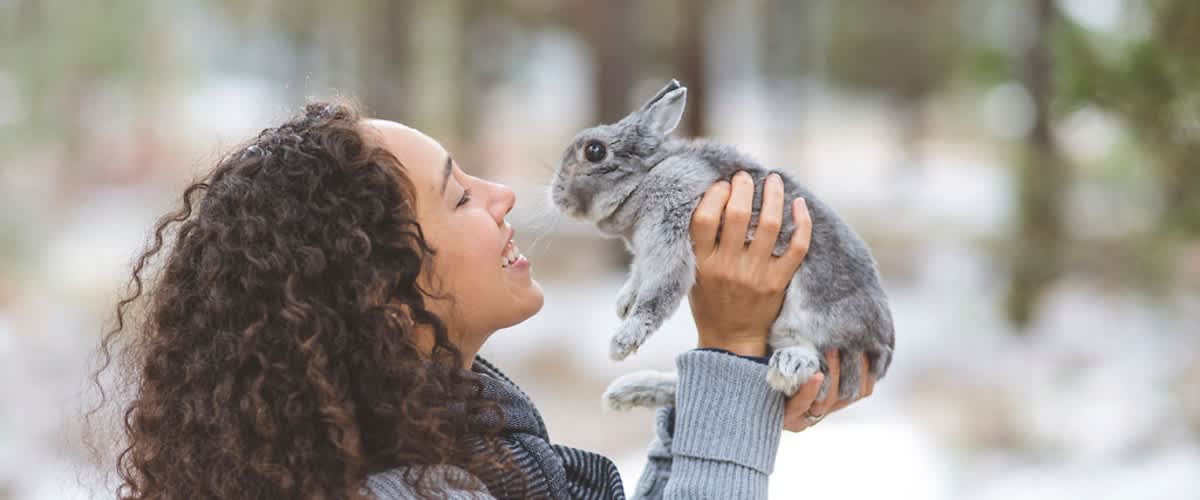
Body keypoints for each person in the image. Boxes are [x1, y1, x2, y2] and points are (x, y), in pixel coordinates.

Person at [96, 101, 875, 499]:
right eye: (459, 196)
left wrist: (731, 387)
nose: (503, 196)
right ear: (383, 293)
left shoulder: (454, 445)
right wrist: (733, 351)